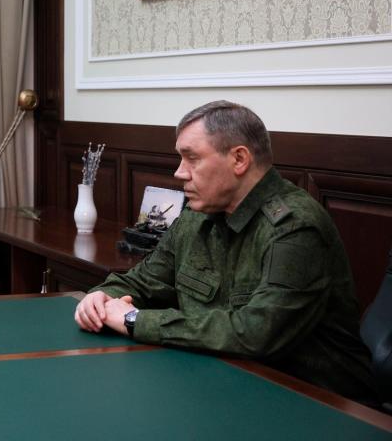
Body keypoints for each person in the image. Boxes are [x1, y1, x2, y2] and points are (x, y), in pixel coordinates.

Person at [74, 100, 377, 404]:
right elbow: (143, 282)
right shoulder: (196, 215)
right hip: (225, 384)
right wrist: (101, 298)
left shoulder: (296, 228)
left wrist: (134, 320)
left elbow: (255, 333)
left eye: (191, 159)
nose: (180, 172)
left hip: (314, 402)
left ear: (239, 159)